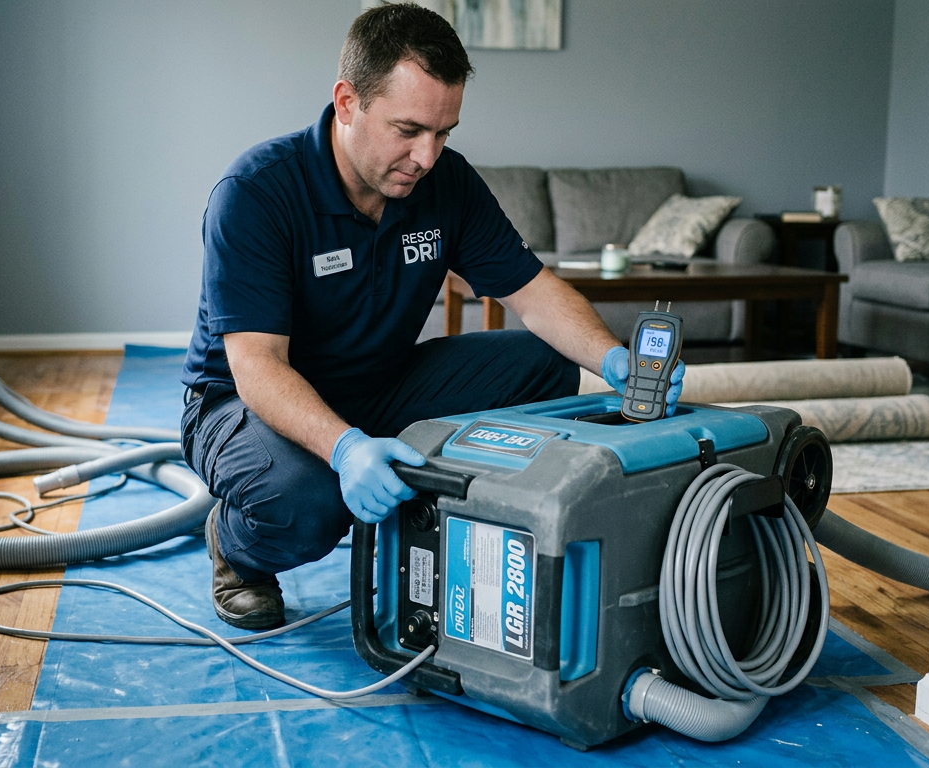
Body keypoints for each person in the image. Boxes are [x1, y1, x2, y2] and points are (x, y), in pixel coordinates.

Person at [180, 3, 684, 630]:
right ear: (347, 102)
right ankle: (236, 548)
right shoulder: (257, 192)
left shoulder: (446, 183)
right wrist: (343, 448)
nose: (426, 155)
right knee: (304, 505)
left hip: (381, 383)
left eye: (444, 133)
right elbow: (256, 367)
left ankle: (454, 522)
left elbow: (533, 292)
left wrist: (615, 360)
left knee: (544, 361)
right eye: (409, 129)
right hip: (244, 405)